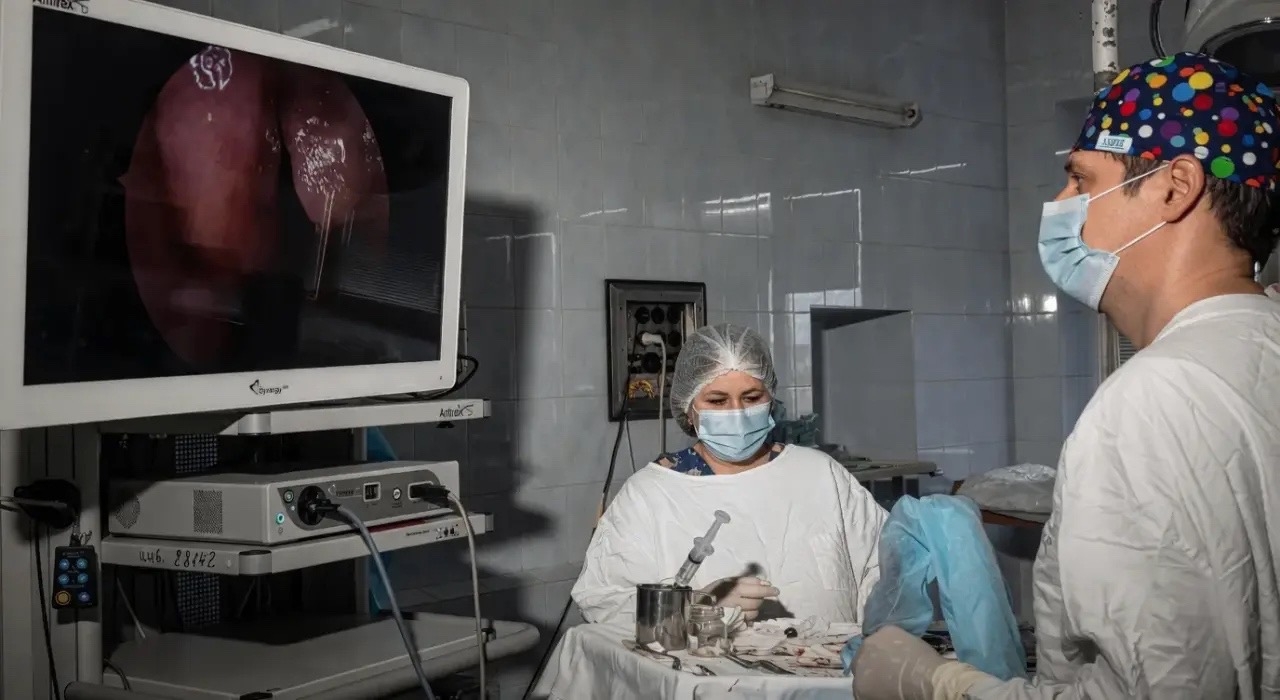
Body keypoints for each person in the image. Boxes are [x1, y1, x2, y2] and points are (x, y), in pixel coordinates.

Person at [855, 51, 1280, 699]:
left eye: (1081, 180)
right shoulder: (1257, 349)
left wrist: (934, 682)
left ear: (1175, 187)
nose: (1060, 204)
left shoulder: (1156, 401)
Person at [571, 323, 888, 627]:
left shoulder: (820, 475)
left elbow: (886, 567)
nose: (737, 413)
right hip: (708, 665)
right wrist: (693, 606)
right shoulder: (651, 494)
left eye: (751, 398)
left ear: (770, 399)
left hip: (826, 662)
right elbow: (602, 600)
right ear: (688, 409)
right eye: (717, 400)